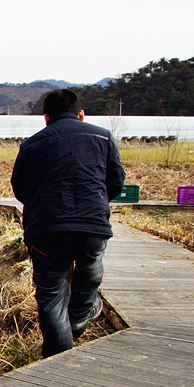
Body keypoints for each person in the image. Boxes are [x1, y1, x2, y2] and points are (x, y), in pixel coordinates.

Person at [11, 89, 126, 358]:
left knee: (51, 296)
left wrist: (41, 205)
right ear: (81, 114)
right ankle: (77, 319)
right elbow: (116, 181)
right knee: (90, 273)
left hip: (46, 231)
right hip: (91, 226)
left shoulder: (30, 145)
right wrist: (95, 202)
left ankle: (60, 356)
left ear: (46, 118)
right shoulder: (102, 136)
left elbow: (20, 188)